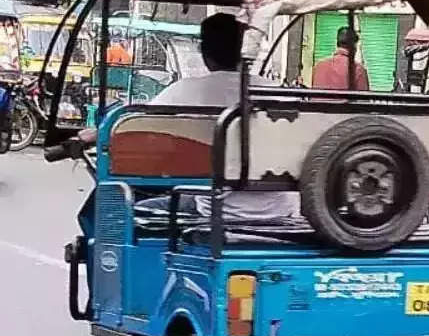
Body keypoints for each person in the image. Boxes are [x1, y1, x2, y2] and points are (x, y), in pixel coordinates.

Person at [85, 13, 299, 221]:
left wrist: (92, 136)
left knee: (124, 212)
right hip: (282, 208)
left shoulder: (187, 90)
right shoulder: (277, 91)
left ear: (204, 52)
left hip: (218, 210)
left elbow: (133, 124)